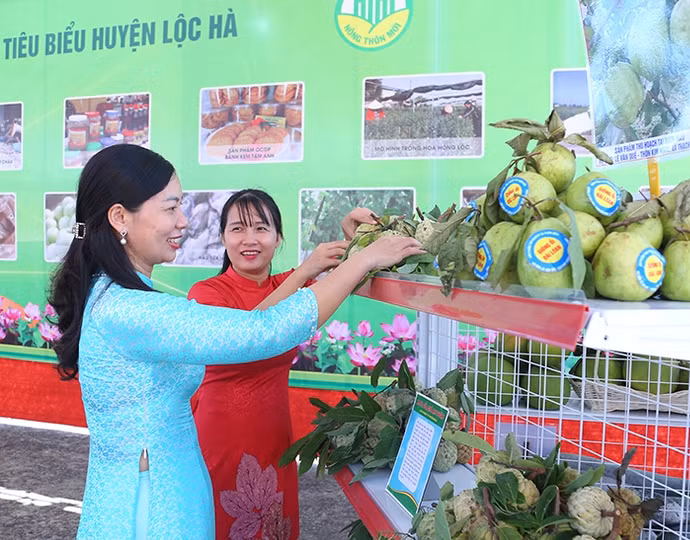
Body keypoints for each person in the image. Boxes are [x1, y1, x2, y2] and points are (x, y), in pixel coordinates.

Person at [47, 144, 422, 539]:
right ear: (121, 217)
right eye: (170, 208)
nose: (184, 222)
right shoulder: (127, 310)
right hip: (152, 508)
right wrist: (361, 261)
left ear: (278, 237)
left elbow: (270, 316)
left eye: (182, 207)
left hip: (162, 490)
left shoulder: (116, 295)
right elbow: (262, 330)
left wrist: (357, 248)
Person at [188, 189, 373, 539]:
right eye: (237, 229)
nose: (249, 239)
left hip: (276, 439)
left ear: (278, 237)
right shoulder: (207, 292)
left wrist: (354, 237)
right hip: (221, 440)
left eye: (261, 228)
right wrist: (306, 270)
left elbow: (356, 275)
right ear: (223, 237)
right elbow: (245, 335)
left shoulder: (291, 283)